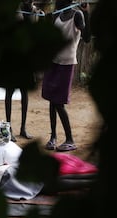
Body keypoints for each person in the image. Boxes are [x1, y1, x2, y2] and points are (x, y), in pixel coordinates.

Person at [42, 0, 91, 151]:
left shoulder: (77, 15)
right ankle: (53, 137)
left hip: (66, 64)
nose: (56, 1)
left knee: (58, 102)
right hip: (53, 62)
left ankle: (70, 139)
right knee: (51, 99)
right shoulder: (58, 15)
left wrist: (87, 14)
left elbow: (87, 38)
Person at [5, 0, 45, 141]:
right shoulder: (14, 12)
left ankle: (23, 128)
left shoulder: (35, 13)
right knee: (9, 93)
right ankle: (8, 128)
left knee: (24, 94)